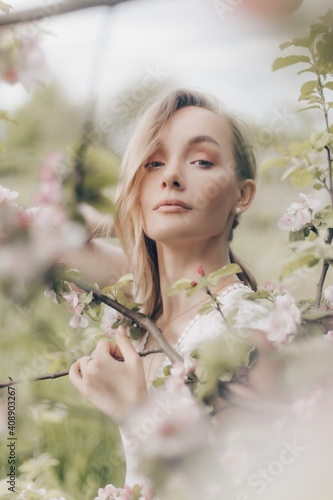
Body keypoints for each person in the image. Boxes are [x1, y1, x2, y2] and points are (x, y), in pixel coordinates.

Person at [67, 89, 275, 488]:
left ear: (242, 195)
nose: (171, 176)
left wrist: (136, 413)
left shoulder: (252, 329)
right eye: (154, 162)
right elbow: (40, 236)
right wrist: (127, 215)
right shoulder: (145, 305)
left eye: (201, 161)